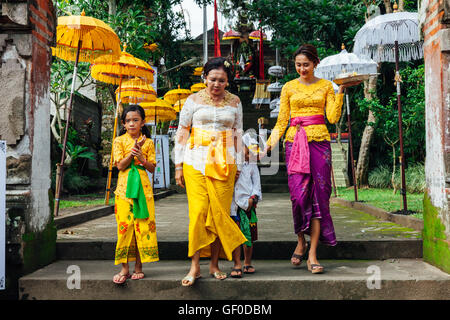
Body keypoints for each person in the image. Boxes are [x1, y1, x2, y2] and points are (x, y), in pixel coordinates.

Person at [262, 44, 360, 274]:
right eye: (298, 65)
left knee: (319, 198)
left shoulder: (327, 86)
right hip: (294, 143)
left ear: (315, 63)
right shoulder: (288, 87)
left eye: (306, 64)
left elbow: (333, 117)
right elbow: (281, 121)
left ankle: (313, 254)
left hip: (319, 144)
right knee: (298, 197)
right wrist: (268, 145)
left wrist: (341, 90)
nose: (302, 69)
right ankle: (300, 240)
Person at [174, 57, 248, 287]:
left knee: (219, 214)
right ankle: (195, 265)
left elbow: (238, 133)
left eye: (222, 80)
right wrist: (178, 165)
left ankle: (214, 264)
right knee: (198, 213)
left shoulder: (235, 101)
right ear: (204, 78)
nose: (216, 84)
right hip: (195, 161)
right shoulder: (192, 100)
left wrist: (240, 167)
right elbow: (182, 131)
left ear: (228, 82)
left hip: (225, 163)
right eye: (212, 79)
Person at [112, 105, 158, 284]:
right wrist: (132, 153)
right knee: (124, 228)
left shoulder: (149, 142)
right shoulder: (119, 141)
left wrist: (142, 157)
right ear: (123, 124)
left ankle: (139, 267)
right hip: (124, 191)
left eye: (135, 120)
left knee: (142, 226)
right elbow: (120, 166)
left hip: (143, 191)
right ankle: (124, 268)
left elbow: (153, 168)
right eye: (128, 121)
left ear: (142, 122)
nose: (132, 123)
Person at [230, 132, 262, 278]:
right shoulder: (232, 163)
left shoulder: (252, 166)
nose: (249, 156)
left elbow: (257, 185)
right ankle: (236, 262)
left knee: (248, 235)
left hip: (248, 205)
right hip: (234, 205)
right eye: (247, 152)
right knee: (235, 235)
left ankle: (247, 262)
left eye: (252, 154)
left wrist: (253, 199)